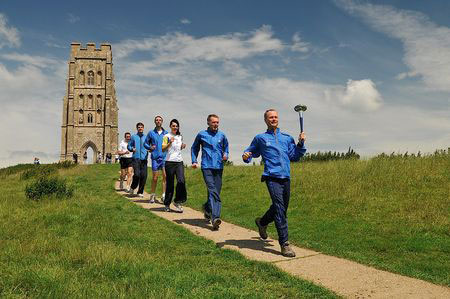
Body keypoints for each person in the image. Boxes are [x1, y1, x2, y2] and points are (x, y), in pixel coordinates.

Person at [242, 109, 306, 258]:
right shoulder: (260, 138)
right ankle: (285, 243)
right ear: (265, 120)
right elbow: (250, 153)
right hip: (271, 176)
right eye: (271, 117)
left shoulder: (286, 138)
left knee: (281, 208)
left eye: (276, 117)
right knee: (279, 209)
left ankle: (262, 222)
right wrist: (246, 156)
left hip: (286, 177)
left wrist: (300, 143)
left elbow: (294, 156)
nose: (274, 119)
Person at [191, 114, 229, 230]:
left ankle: (207, 210)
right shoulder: (202, 134)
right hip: (206, 166)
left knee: (216, 191)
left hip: (218, 167)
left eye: (217, 122)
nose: (216, 124)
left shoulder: (222, 135)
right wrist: (194, 160)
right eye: (213, 122)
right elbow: (194, 148)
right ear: (208, 123)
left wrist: (226, 154)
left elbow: (226, 147)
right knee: (213, 191)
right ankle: (215, 218)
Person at [162, 119, 187, 212]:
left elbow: (177, 148)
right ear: (170, 126)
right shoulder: (166, 136)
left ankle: (177, 201)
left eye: (176, 126)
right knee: (170, 184)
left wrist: (182, 146)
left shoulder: (180, 136)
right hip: (169, 162)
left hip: (179, 162)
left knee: (181, 181)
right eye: (173, 126)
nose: (175, 127)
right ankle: (167, 204)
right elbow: (163, 149)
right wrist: (170, 142)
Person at [144, 116, 168, 203]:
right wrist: (150, 147)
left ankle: (164, 195)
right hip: (155, 158)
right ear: (155, 122)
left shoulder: (166, 133)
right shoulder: (151, 133)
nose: (158, 121)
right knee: (155, 178)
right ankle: (152, 195)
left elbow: (172, 143)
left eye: (160, 120)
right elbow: (145, 143)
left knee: (165, 176)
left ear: (162, 122)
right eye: (157, 120)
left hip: (165, 158)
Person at [127, 122, 149, 198]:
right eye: (139, 127)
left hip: (144, 159)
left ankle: (140, 192)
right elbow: (129, 146)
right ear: (137, 128)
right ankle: (133, 187)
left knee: (144, 176)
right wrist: (131, 149)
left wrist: (150, 149)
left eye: (141, 127)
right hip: (136, 158)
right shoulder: (133, 137)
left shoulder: (146, 137)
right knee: (137, 175)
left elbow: (149, 146)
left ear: (143, 128)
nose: (140, 128)